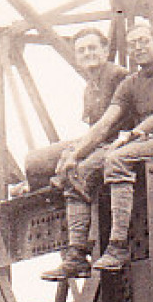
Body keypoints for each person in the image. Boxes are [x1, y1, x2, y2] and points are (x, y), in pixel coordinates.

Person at [43, 23, 153, 278]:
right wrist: (75, 155)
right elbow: (104, 124)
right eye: (133, 44)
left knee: (116, 158)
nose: (138, 48)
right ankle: (76, 255)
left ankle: (118, 246)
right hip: (141, 143)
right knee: (79, 171)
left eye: (143, 41)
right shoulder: (130, 83)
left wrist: (132, 135)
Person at [22, 26, 130, 192]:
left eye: (92, 48)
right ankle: (37, 187)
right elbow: (93, 128)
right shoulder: (90, 88)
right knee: (33, 161)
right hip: (99, 140)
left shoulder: (118, 76)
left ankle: (50, 189)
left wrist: (76, 153)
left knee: (44, 163)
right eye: (81, 50)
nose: (87, 53)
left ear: (105, 50)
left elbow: (105, 127)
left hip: (117, 141)